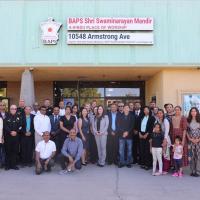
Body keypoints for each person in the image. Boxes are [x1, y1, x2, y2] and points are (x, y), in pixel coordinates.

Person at [3, 105, 22, 170]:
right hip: (8, 137)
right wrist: (10, 132)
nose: (13, 110)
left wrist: (16, 132)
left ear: (16, 110)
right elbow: (5, 126)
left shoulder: (19, 117)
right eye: (12, 109)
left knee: (15, 151)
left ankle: (13, 165)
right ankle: (7, 165)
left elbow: (20, 126)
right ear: (10, 109)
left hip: (16, 137)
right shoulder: (6, 117)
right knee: (8, 151)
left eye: (15, 109)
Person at [156, 109, 171, 174]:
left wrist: (165, 140)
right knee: (159, 154)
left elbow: (167, 131)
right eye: (158, 113)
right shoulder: (157, 120)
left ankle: (166, 169)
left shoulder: (165, 120)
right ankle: (160, 168)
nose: (159, 114)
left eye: (161, 113)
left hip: (165, 138)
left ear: (163, 114)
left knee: (165, 154)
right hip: (158, 139)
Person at [187, 107, 200, 177]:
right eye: (192, 111)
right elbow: (186, 131)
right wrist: (190, 139)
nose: (193, 112)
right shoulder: (188, 120)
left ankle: (197, 171)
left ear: (197, 112)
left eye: (195, 111)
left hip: (198, 141)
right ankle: (192, 171)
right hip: (191, 141)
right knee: (192, 156)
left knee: (198, 156)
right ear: (190, 112)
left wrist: (198, 139)